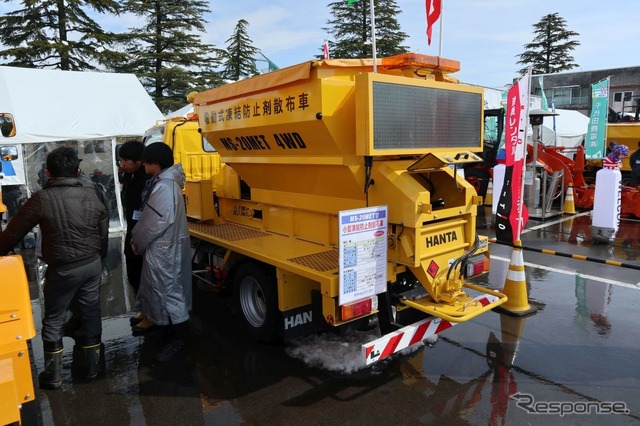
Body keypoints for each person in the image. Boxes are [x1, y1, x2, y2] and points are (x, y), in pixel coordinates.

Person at [0, 147, 108, 388]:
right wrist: (99, 258)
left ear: (48, 172)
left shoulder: (41, 199)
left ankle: (53, 376)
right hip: (91, 264)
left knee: (54, 318)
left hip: (62, 268)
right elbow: (103, 232)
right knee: (90, 313)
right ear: (78, 170)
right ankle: (92, 370)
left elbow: (13, 233)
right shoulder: (92, 194)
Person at [131, 143, 192, 362]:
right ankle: (171, 332)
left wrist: (137, 241)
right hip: (168, 246)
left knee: (168, 292)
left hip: (163, 248)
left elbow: (153, 222)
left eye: (146, 162)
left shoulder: (163, 187)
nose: (143, 165)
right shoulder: (168, 183)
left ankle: (180, 339)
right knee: (168, 289)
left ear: (154, 164)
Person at [118, 141, 152, 313]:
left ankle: (148, 311)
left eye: (126, 160)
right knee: (133, 270)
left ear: (139, 161)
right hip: (132, 228)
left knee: (140, 272)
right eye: (121, 159)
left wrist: (138, 236)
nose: (122, 163)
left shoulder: (145, 180)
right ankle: (143, 308)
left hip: (140, 231)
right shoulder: (130, 175)